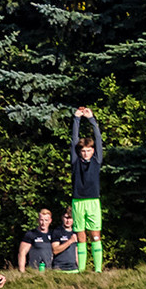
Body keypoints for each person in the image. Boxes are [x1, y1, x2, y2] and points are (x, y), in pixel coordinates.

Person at [71, 107, 106, 272]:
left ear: (93, 151)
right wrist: (76, 119)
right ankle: (82, 270)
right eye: (83, 151)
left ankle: (98, 270)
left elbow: (98, 139)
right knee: (81, 237)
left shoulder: (97, 160)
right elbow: (73, 141)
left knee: (95, 235)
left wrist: (91, 119)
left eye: (88, 151)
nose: (85, 153)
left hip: (93, 201)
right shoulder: (75, 161)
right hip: (78, 201)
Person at [51, 209, 81, 273]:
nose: (68, 221)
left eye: (70, 218)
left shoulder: (75, 232)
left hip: (73, 268)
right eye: (66, 218)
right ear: (62, 218)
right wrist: (70, 241)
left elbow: (76, 252)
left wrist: (79, 268)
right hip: (59, 268)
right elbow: (55, 250)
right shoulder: (57, 231)